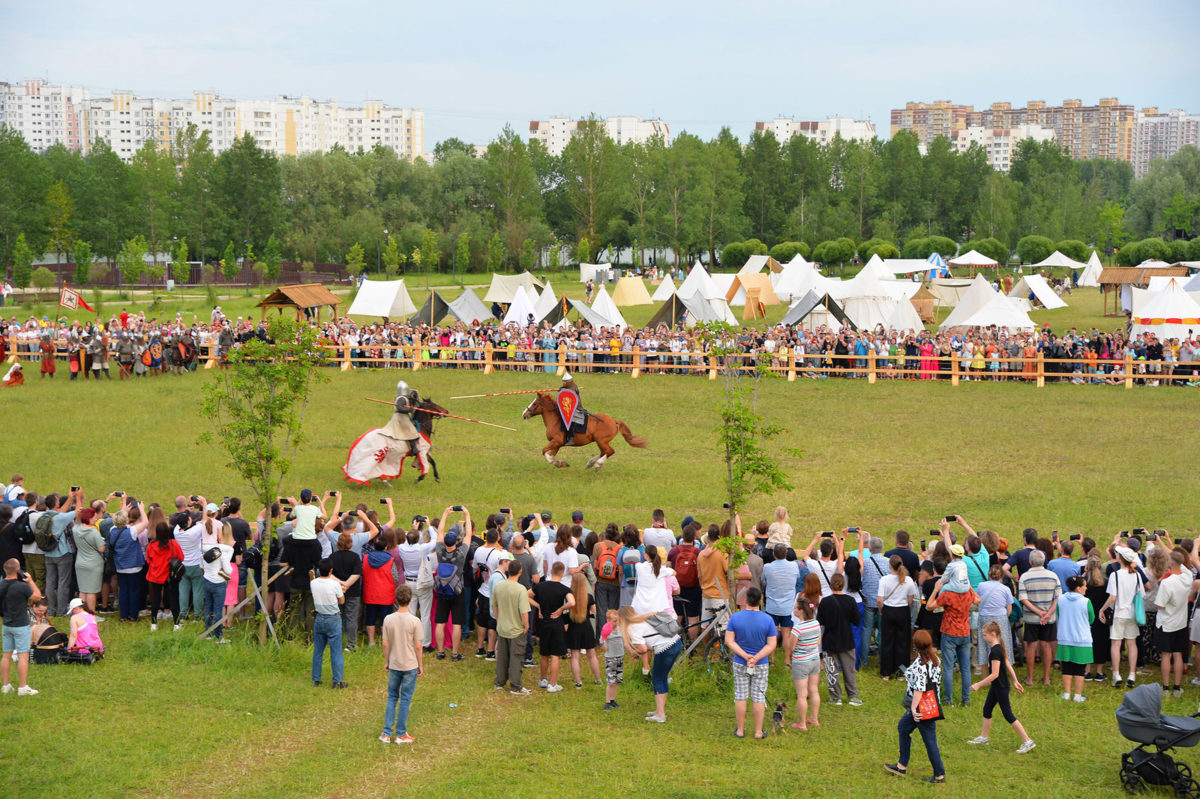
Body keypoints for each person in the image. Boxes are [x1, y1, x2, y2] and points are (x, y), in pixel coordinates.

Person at [884, 630, 946, 784]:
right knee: (905, 729)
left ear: (916, 646)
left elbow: (919, 689)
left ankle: (938, 775)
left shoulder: (920, 664)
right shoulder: (934, 659)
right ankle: (902, 766)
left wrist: (913, 709)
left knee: (927, 739)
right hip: (931, 705)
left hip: (920, 708)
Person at [968, 621, 1035, 753]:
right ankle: (984, 737)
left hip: (1001, 688)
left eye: (985, 635)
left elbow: (995, 674)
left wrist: (978, 684)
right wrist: (1015, 681)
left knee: (1008, 715)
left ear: (993, 634)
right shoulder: (999, 647)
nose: (983, 637)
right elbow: (1007, 663)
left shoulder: (995, 651)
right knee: (987, 709)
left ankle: (1027, 741)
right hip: (997, 686)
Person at [726, 586, 778, 739]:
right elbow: (771, 644)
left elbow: (729, 641)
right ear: (760, 601)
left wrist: (745, 655)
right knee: (759, 697)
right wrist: (756, 657)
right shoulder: (768, 619)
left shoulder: (735, 618)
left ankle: (740, 730)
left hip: (740, 662)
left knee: (741, 695)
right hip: (761, 663)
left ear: (746, 600)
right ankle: (758, 731)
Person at [619, 604, 683, 724]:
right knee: (662, 677)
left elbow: (643, 649)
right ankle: (660, 709)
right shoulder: (643, 619)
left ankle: (660, 715)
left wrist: (634, 652)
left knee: (657, 678)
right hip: (677, 642)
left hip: (665, 648)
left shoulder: (631, 627)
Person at [926, 566, 979, 707]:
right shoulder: (968, 593)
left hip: (949, 632)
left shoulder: (948, 594)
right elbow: (978, 600)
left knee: (948, 667)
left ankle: (948, 700)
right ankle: (966, 700)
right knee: (965, 668)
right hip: (964, 632)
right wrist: (970, 587)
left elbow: (929, 606)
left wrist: (936, 589)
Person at [380, 584, 423, 744]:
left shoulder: (388, 619)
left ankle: (386, 733)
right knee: (405, 698)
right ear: (410, 599)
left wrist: (387, 660)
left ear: (396, 599)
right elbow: (418, 645)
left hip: (395, 663)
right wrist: (420, 664)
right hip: (410, 664)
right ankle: (401, 733)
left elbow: (385, 643)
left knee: (392, 697)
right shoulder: (414, 620)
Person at [1099, 545, 1144, 689]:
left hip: (1119, 613)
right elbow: (1140, 595)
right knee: (1132, 643)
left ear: (1121, 559)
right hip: (1132, 613)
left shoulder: (1115, 575)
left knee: (1116, 644)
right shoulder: (1136, 574)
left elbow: (1112, 597)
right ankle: (1132, 674)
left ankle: (1116, 674)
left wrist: (1102, 609)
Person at [1017, 550, 1060, 686]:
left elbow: (1023, 599)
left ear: (1030, 562)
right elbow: (1058, 597)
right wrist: (1047, 613)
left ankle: (1029, 678)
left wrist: (1038, 612)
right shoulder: (1053, 576)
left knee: (1031, 646)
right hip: (1049, 617)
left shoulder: (1024, 577)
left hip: (1031, 618)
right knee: (1046, 645)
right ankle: (1046, 678)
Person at [818, 573, 861, 706]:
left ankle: (836, 697)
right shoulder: (850, 600)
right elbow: (857, 620)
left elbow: (820, 621)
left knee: (832, 669)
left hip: (830, 639)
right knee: (849, 669)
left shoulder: (825, 602)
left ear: (831, 584)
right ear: (843, 584)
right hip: (846, 639)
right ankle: (853, 696)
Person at [784, 582, 822, 730]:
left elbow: (791, 647)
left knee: (801, 694)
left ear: (800, 611)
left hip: (801, 662)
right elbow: (818, 641)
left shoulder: (797, 628)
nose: (793, 610)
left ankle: (801, 724)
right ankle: (814, 719)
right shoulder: (816, 623)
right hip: (814, 659)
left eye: (795, 608)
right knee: (814, 690)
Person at [531, 561, 574, 692]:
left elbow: (526, 595)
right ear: (562, 573)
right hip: (556, 623)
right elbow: (572, 602)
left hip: (543, 622)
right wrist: (561, 609)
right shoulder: (564, 589)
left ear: (550, 571)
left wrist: (538, 606)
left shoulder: (541, 586)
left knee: (544, 653)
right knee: (555, 654)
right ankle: (553, 684)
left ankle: (543, 679)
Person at [1, 558, 41, 695]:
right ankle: (23, 687)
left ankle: (5, 685)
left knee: (6, 655)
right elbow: (37, 597)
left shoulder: (1, 584)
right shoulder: (22, 586)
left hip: (6, 624)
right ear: (18, 570)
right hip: (21, 625)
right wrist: (30, 581)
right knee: (23, 656)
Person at [492, 558, 531, 695]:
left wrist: (499, 619)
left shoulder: (499, 586)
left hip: (502, 627)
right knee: (516, 657)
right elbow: (524, 612)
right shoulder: (521, 589)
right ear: (520, 571)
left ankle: (500, 682)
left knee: (502, 656)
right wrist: (526, 626)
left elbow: (494, 605)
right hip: (516, 629)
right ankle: (515, 686)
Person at [1155, 551, 1191, 697]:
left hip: (1166, 623)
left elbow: (1160, 605)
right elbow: (1183, 566)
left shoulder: (1167, 583)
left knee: (1166, 655)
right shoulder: (1187, 577)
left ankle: (1165, 687)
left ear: (1170, 564)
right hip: (1181, 623)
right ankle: (1176, 687)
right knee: (1178, 655)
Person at [878, 555, 918, 679]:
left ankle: (886, 672)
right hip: (903, 611)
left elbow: (880, 600)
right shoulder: (909, 580)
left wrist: (881, 611)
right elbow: (911, 600)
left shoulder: (884, 580)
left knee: (887, 641)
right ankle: (901, 672)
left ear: (890, 565)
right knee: (903, 642)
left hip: (888, 610)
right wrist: (907, 610)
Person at [1056, 575, 1094, 702]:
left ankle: (1066, 694)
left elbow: (1058, 614)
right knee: (1079, 669)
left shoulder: (1060, 599)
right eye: (1084, 586)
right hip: (1082, 639)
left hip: (1064, 637)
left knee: (1066, 667)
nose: (1086, 588)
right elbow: (1091, 618)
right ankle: (1077, 696)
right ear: (1078, 588)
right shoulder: (1086, 601)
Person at [311, 558, 346, 688]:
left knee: (318, 651)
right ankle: (337, 681)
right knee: (336, 652)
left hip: (319, 618)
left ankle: (316, 679)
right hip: (333, 618)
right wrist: (342, 591)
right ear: (331, 570)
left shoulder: (313, 583)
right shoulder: (334, 584)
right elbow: (341, 601)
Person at [145, 521, 183, 631]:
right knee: (173, 599)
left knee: (155, 599)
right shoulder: (173, 544)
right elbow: (181, 557)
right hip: (169, 577)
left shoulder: (151, 545)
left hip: (155, 576)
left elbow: (148, 560)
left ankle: (153, 623)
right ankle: (176, 624)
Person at [566, 571, 601, 688]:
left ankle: (578, 682)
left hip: (573, 627)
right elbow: (594, 611)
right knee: (592, 655)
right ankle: (598, 679)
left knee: (575, 656)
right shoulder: (589, 597)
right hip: (586, 627)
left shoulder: (568, 597)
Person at [201, 522, 234, 641]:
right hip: (218, 583)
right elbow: (228, 570)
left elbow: (201, 565)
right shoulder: (223, 552)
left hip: (206, 580)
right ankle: (219, 636)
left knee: (208, 607)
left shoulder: (204, 548)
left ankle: (208, 633)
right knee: (218, 610)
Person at [599, 609, 623, 710]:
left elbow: (624, 641)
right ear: (608, 620)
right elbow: (601, 641)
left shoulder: (620, 629)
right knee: (611, 681)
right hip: (611, 658)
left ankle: (613, 699)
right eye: (614, 620)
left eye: (617, 620)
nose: (616, 622)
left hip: (620, 657)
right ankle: (607, 702)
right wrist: (603, 645)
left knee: (617, 680)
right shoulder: (606, 629)